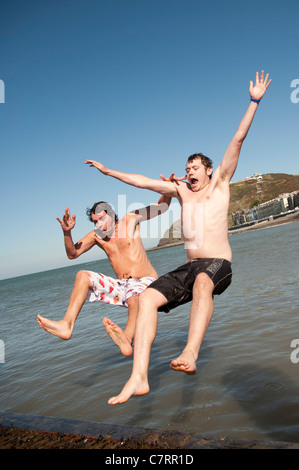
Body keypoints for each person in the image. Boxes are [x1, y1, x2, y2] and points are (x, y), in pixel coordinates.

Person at [85, 70, 272, 404]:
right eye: (187, 169)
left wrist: (254, 101)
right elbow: (142, 182)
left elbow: (238, 140)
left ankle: (190, 352)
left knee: (203, 282)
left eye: (195, 168)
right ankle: (139, 378)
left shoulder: (221, 184)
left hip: (217, 264)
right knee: (146, 300)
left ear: (209, 170)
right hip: (189, 266)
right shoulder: (181, 191)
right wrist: (109, 171)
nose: (189, 173)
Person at [37, 193, 172, 357]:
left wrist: (167, 190)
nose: (99, 225)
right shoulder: (97, 236)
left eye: (101, 219)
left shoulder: (130, 220)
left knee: (134, 297)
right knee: (82, 275)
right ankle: (67, 324)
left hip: (145, 282)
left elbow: (161, 207)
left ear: (112, 215)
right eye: (95, 222)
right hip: (123, 286)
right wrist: (67, 232)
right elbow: (72, 253)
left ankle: (127, 340)